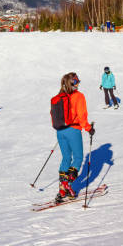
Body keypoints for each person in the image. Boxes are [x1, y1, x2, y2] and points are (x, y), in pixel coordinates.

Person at [53, 72, 94, 203]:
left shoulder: (59, 97)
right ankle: (67, 185)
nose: (78, 84)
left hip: (60, 131)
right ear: (73, 83)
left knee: (66, 158)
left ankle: (62, 189)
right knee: (78, 158)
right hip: (73, 130)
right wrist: (89, 128)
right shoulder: (79, 96)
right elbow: (82, 116)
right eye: (77, 82)